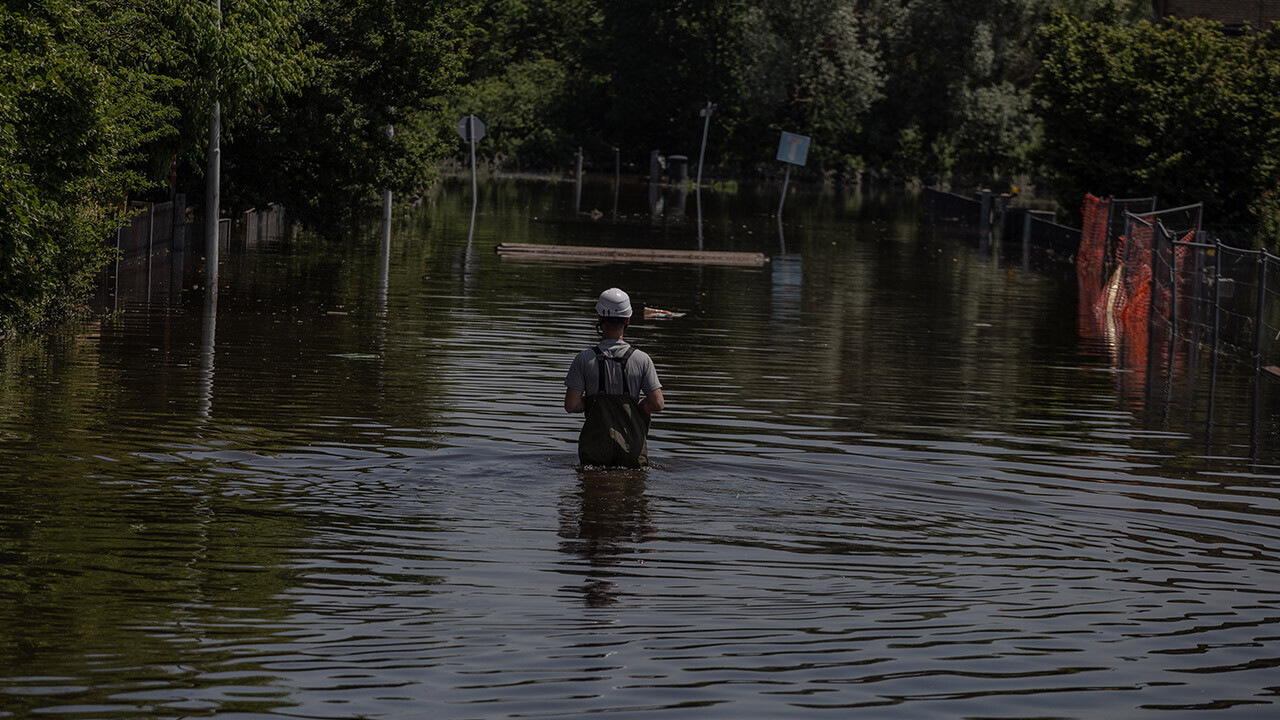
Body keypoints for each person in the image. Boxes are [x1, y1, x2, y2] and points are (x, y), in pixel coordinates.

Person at [564, 288, 664, 467]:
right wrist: (637, 405)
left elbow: (571, 406)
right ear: (627, 320)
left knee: (591, 490)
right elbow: (657, 404)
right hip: (631, 449)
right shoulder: (642, 359)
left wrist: (596, 402)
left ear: (599, 319)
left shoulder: (583, 359)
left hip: (594, 448)